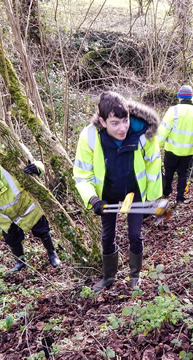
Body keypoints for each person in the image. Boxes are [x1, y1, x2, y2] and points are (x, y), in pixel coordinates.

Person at [73, 91, 162, 291]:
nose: (122, 128)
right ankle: (109, 276)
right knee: (106, 236)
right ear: (103, 122)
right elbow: (81, 174)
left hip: (134, 191)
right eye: (115, 123)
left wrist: (153, 199)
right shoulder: (89, 136)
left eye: (125, 121)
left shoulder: (144, 133)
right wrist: (93, 199)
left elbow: (154, 168)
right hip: (107, 192)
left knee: (135, 234)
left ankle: (135, 276)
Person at [0, 158, 61, 274]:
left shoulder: (7, 168)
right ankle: (20, 262)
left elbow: (36, 164)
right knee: (12, 238)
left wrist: (37, 169)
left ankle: (52, 253)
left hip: (27, 207)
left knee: (42, 230)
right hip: (5, 217)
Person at [158, 85, 193, 203]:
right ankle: (180, 198)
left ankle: (166, 193)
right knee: (183, 174)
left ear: (179, 97)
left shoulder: (173, 110)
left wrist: (158, 146)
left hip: (171, 150)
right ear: (191, 97)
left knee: (169, 172)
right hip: (188, 151)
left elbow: (163, 131)